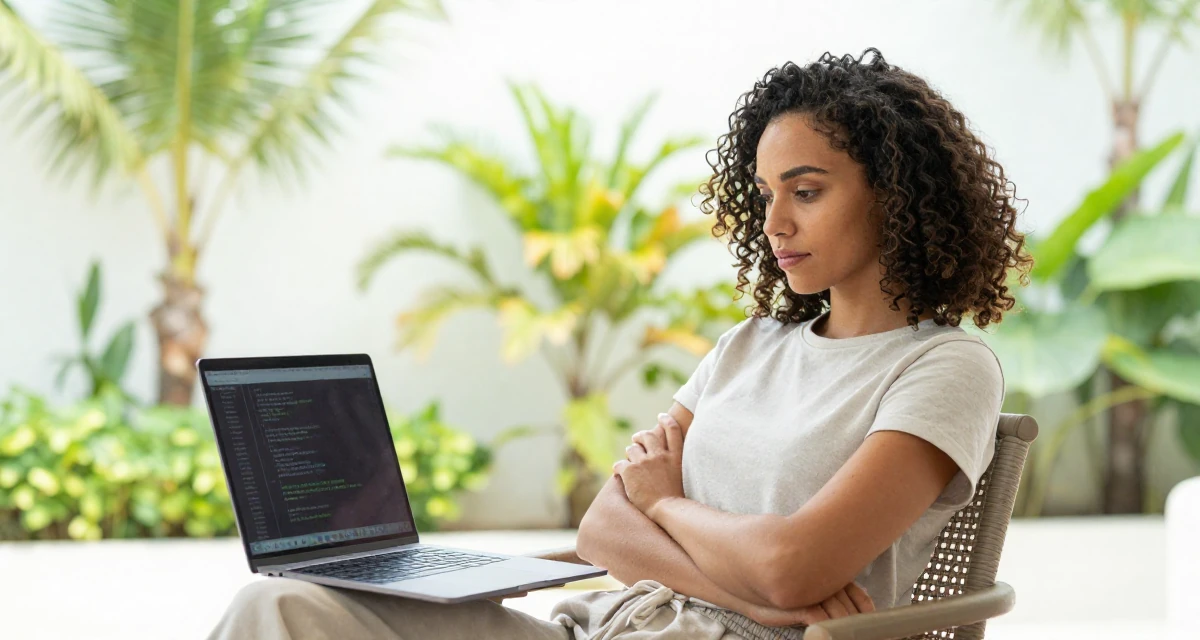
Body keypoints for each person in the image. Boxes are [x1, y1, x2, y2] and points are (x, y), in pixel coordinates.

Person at [206, 47, 1034, 640]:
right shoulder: (749, 346)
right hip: (603, 625)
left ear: (894, 196)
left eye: (807, 192)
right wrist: (757, 593)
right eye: (766, 194)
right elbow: (606, 529)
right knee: (278, 608)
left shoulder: (944, 368)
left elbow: (793, 565)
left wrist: (669, 504)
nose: (776, 223)